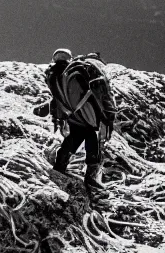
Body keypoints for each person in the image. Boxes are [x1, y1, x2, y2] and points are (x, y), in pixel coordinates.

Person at [34, 48, 117, 189]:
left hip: (71, 114)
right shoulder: (79, 71)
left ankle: (60, 164)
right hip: (87, 113)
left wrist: (59, 116)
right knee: (91, 136)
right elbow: (99, 92)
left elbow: (57, 98)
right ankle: (90, 177)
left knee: (75, 136)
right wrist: (106, 115)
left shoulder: (54, 75)